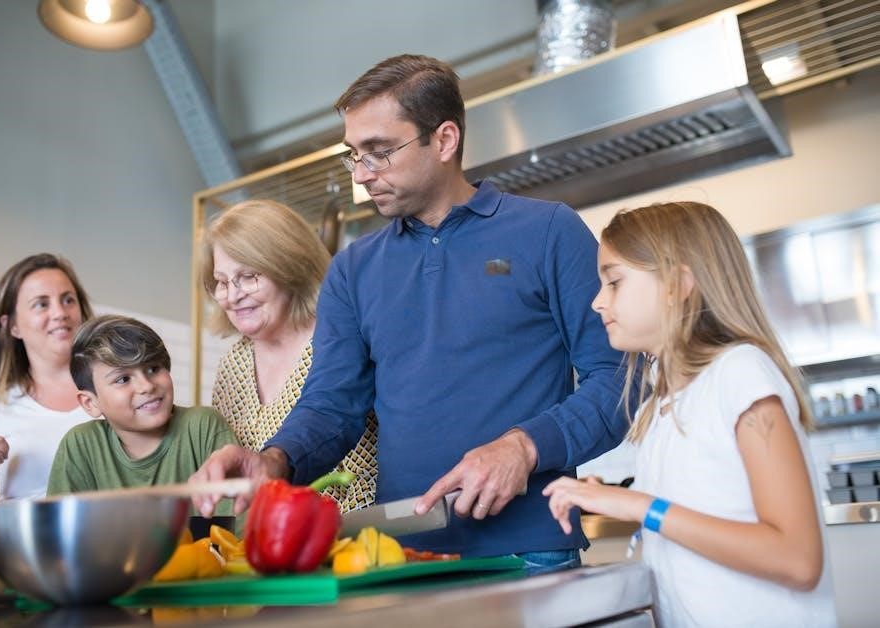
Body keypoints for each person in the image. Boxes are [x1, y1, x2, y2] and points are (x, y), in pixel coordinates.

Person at [192, 54, 627, 567]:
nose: (362, 175)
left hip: (530, 550)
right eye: (354, 155)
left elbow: (619, 381)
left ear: (444, 140)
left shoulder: (549, 232)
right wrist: (275, 460)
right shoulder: (353, 269)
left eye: (379, 153)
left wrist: (525, 447)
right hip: (401, 553)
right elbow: (332, 406)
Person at [543, 202, 837, 626]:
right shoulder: (664, 404)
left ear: (677, 285)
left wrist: (641, 506)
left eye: (614, 282)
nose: (597, 303)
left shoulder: (741, 373)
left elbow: (797, 560)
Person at [198, 199, 377, 512]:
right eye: (222, 282)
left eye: (248, 276)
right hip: (275, 533)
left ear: (290, 268)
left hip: (360, 528)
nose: (233, 296)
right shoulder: (233, 363)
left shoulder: (339, 339)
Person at [47, 315, 237, 519]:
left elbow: (236, 526)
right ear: (90, 403)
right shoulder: (81, 445)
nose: (146, 386)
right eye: (123, 379)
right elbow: (59, 529)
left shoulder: (202, 426)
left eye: (153, 368)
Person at [0, 253, 95, 500]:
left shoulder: (117, 390)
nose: (60, 313)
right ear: (12, 326)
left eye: (68, 300)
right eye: (42, 304)